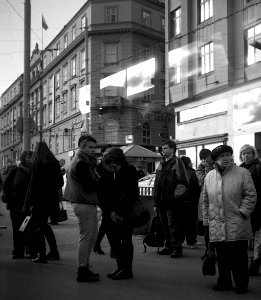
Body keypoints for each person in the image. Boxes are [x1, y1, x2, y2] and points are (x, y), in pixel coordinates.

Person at [202, 145, 256, 294]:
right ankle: (224, 281)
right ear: (215, 160)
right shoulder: (209, 176)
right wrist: (206, 220)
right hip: (216, 223)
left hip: (236, 222)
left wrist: (243, 212)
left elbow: (251, 195)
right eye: (222, 156)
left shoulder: (242, 173)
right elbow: (205, 201)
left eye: (228, 155)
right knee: (222, 257)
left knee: (239, 257)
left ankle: (241, 284)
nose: (226, 158)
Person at [64, 135, 100, 282]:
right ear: (82, 147)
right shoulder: (81, 163)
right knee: (87, 237)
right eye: (89, 147)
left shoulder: (83, 161)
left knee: (91, 237)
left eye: (94, 147)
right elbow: (89, 185)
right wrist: (100, 180)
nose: (93, 150)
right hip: (84, 202)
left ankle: (84, 266)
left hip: (84, 201)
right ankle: (82, 270)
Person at [102, 147, 138, 280]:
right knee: (114, 240)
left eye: (115, 166)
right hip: (112, 212)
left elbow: (131, 194)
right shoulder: (110, 172)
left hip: (126, 212)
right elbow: (108, 193)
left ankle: (127, 270)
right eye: (111, 166)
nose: (113, 168)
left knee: (126, 241)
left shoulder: (130, 171)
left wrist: (120, 213)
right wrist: (111, 211)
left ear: (120, 162)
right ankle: (120, 266)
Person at [25, 142, 64, 263]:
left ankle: (42, 255)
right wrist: (51, 188)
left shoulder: (38, 163)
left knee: (40, 228)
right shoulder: (54, 162)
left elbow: (33, 185)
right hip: (51, 200)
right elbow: (60, 183)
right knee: (45, 226)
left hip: (39, 200)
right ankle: (54, 251)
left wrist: (30, 202)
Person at [153, 140, 188, 258]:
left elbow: (183, 182)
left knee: (173, 225)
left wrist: (174, 197)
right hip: (161, 200)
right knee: (164, 225)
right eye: (162, 148)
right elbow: (157, 183)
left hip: (171, 201)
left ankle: (177, 248)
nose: (163, 150)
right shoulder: (161, 163)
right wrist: (155, 200)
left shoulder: (177, 162)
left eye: (165, 148)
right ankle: (168, 246)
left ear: (172, 149)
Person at [2, 151, 33, 259]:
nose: (30, 160)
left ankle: (30, 250)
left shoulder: (33, 171)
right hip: (15, 205)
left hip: (29, 205)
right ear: (23, 158)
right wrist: (6, 196)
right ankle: (18, 251)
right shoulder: (15, 170)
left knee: (28, 227)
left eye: (31, 158)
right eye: (28, 157)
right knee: (17, 228)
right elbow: (6, 184)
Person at [239, 144, 261, 276]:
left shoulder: (259, 167)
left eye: (248, 153)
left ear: (253, 155)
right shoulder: (239, 168)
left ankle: (256, 262)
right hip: (243, 207)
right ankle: (245, 263)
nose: (246, 156)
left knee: (258, 236)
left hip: (258, 207)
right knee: (246, 235)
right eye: (243, 153)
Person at [94, 144, 113, 255]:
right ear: (103, 153)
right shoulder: (101, 166)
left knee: (106, 223)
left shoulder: (109, 165)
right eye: (108, 152)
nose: (110, 154)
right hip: (104, 198)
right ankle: (112, 248)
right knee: (107, 222)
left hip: (109, 197)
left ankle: (97, 245)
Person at [180, 156, 200, 248]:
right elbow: (196, 188)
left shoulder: (178, 173)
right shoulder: (192, 173)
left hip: (180, 202)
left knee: (180, 223)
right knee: (191, 224)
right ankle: (191, 242)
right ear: (188, 163)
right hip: (191, 202)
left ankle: (179, 242)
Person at [196, 148, 214, 241]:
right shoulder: (200, 168)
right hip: (205, 198)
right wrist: (207, 168)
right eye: (205, 158)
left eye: (209, 157)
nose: (208, 160)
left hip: (215, 197)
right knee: (207, 224)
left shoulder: (216, 165)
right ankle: (209, 250)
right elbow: (205, 181)